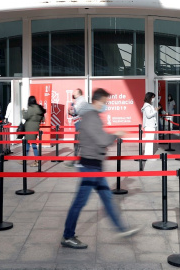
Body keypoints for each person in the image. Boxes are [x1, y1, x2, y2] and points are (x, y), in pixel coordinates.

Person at [61, 88, 139, 249]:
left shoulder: (92, 116)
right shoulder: (91, 117)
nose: (106, 105)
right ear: (98, 101)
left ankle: (121, 229)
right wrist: (116, 134)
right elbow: (102, 140)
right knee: (79, 203)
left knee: (107, 199)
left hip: (94, 165)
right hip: (89, 167)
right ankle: (68, 236)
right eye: (105, 102)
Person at [65, 88, 90, 167]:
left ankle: (79, 161)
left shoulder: (80, 101)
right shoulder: (79, 101)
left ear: (78, 94)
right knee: (78, 143)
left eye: (74, 93)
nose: (73, 94)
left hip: (81, 124)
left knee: (78, 143)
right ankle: (78, 161)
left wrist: (71, 111)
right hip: (79, 124)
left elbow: (75, 111)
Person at [21, 96, 46, 167]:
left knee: (32, 144)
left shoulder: (31, 108)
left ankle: (36, 161)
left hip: (29, 128)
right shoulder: (39, 108)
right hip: (35, 127)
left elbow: (25, 117)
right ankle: (25, 159)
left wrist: (23, 111)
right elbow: (43, 119)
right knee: (29, 144)